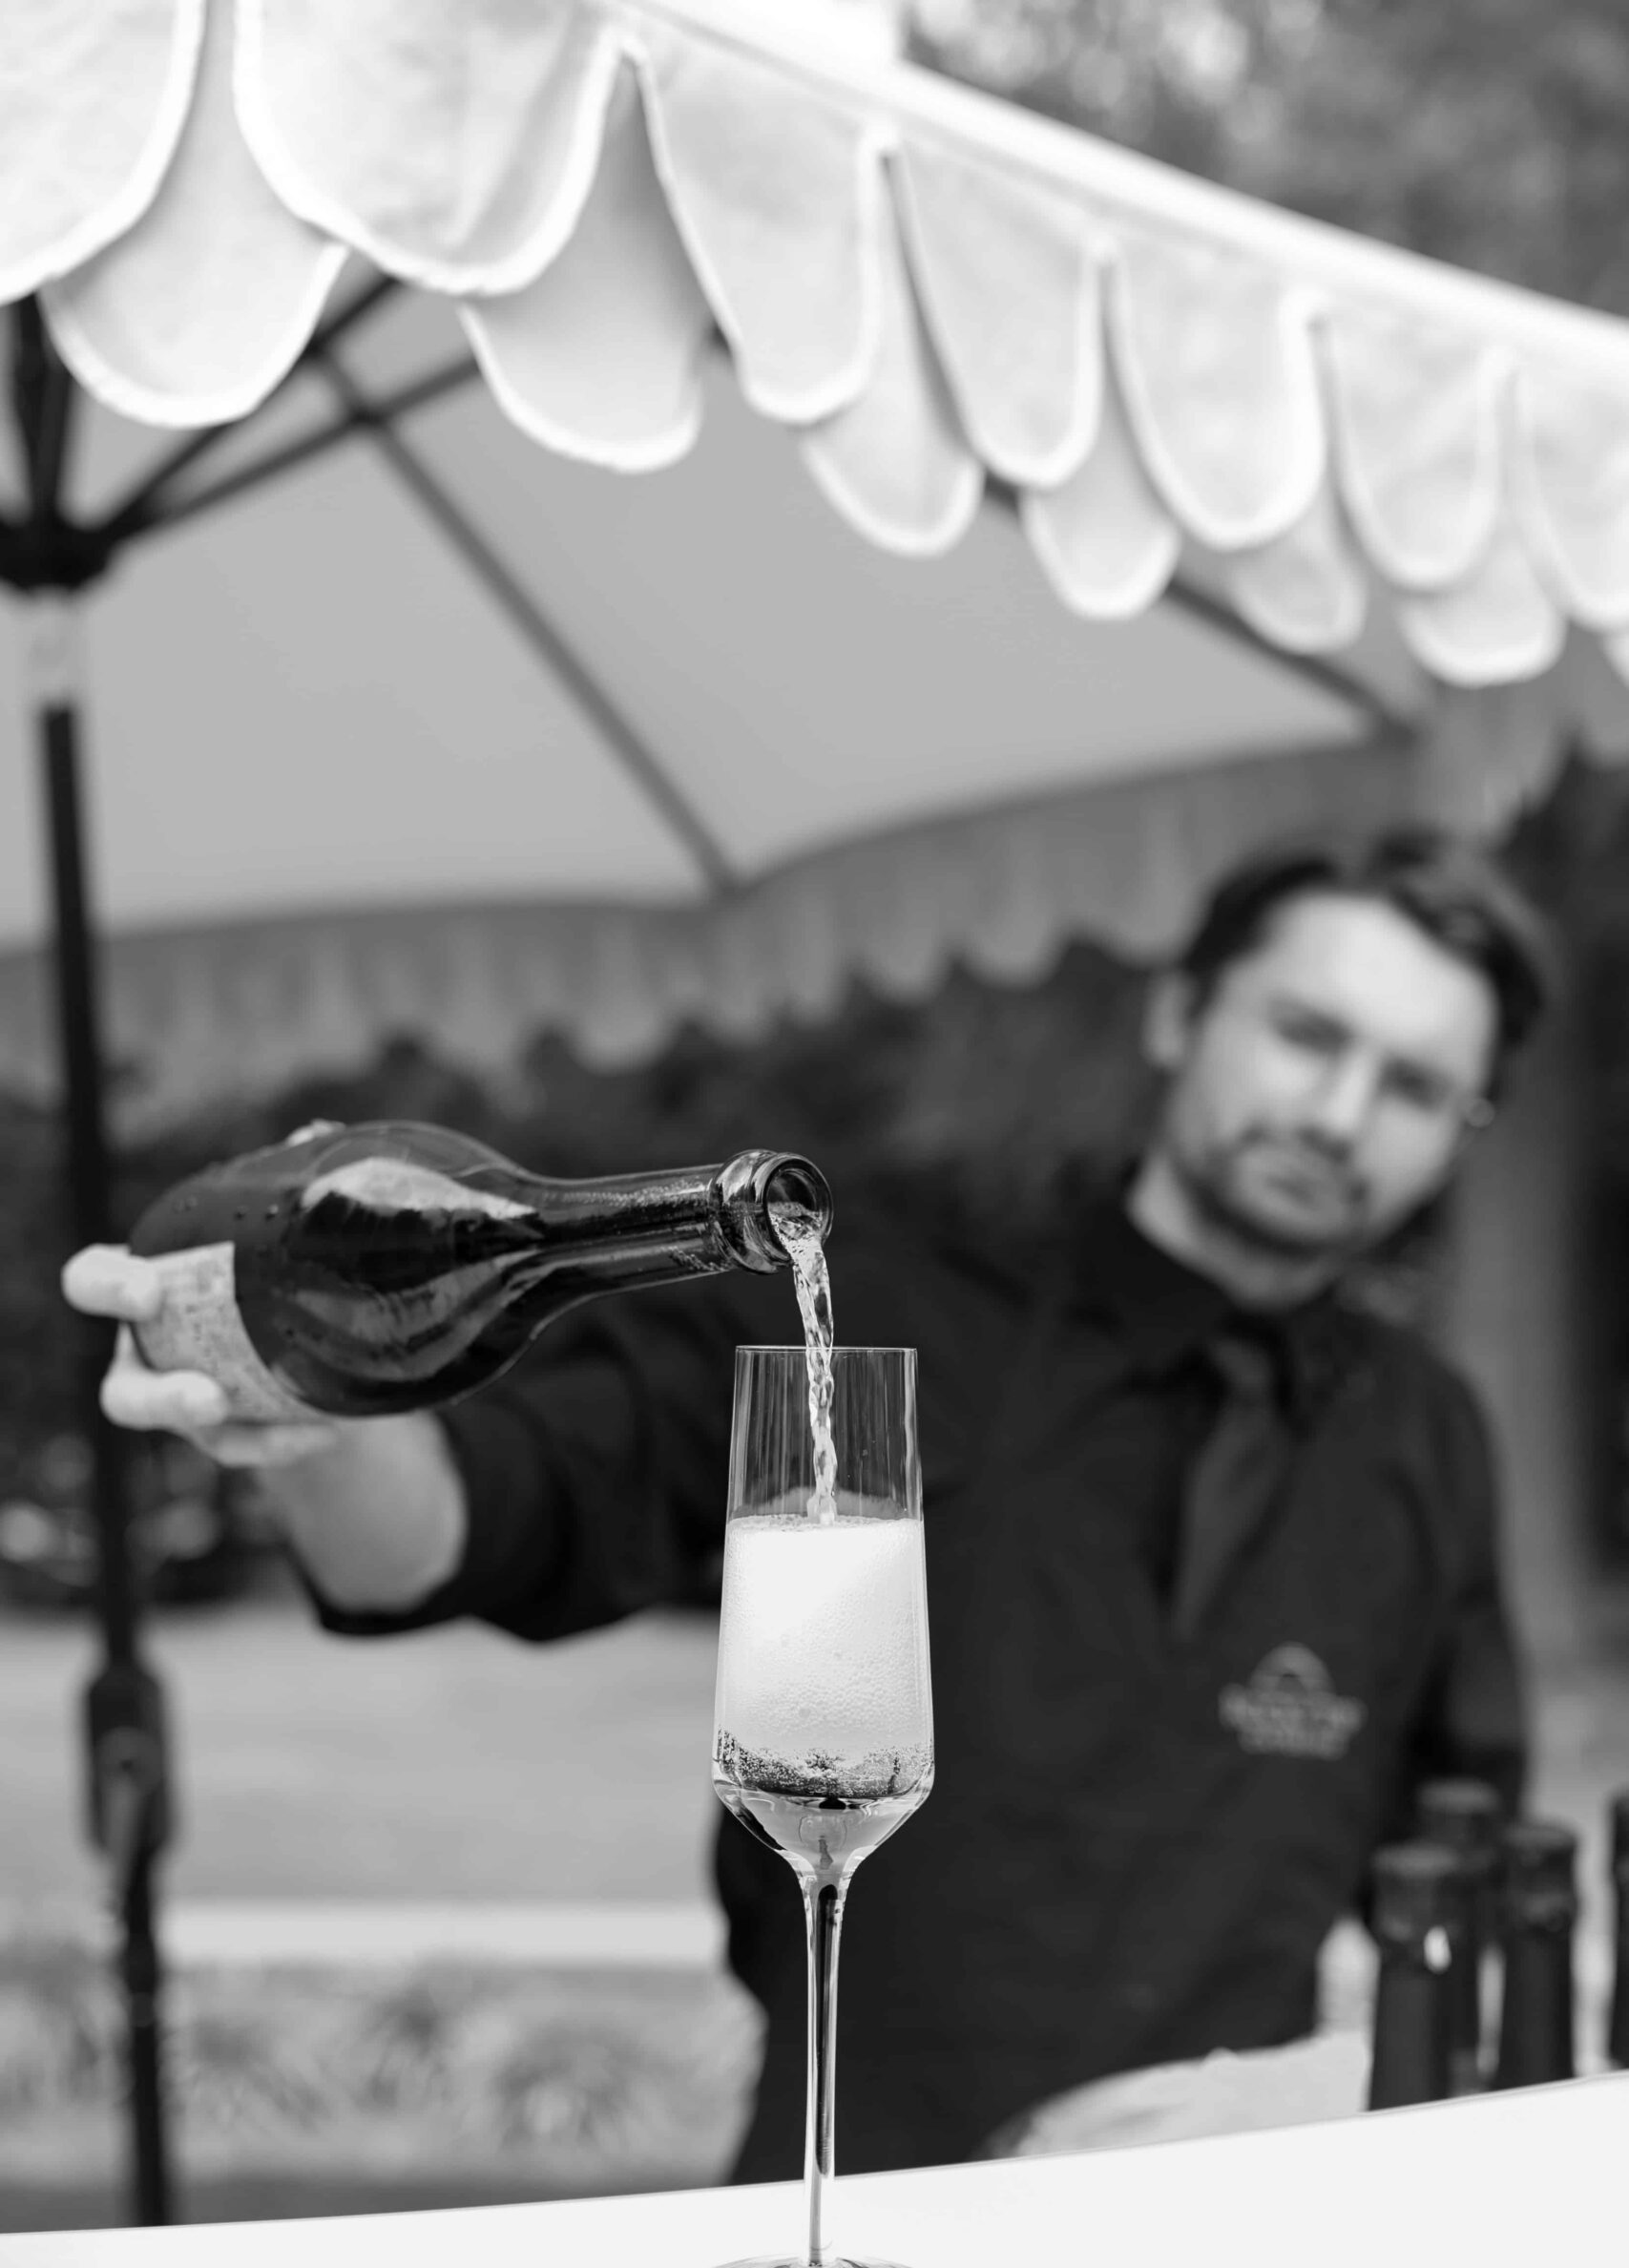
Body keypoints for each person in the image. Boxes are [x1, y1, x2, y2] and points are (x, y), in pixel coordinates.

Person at [63, 827, 1554, 2178]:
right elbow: (464, 1530)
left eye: (1415, 1085)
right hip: (850, 2205)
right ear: (1181, 1013)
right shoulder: (868, 1313)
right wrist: (321, 1413)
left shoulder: (1427, 1436)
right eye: (1307, 1033)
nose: (1342, 1113)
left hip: (1225, 2240)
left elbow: (1464, 1881)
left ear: (1462, 1131)